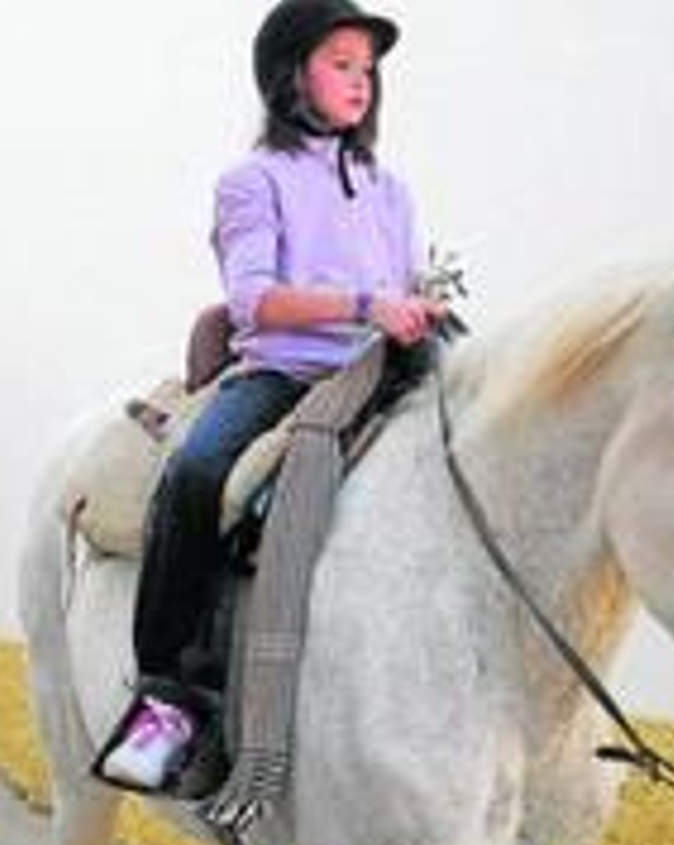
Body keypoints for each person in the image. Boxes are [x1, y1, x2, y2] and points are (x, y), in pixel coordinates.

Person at [100, 0, 448, 791]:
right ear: (292, 77)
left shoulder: (389, 190)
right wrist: (365, 304)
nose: (361, 81)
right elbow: (254, 300)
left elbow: (405, 285)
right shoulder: (252, 182)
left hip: (377, 369)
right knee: (195, 473)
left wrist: (421, 305)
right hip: (284, 372)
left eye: (368, 68)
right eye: (341, 64)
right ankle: (163, 705)